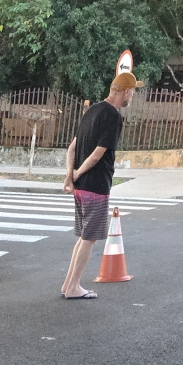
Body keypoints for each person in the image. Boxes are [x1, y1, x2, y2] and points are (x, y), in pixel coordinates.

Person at [60, 72, 141, 300]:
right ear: (126, 91)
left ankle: (68, 284)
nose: (133, 95)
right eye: (133, 91)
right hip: (96, 185)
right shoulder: (113, 116)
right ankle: (74, 286)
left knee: (84, 236)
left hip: (81, 187)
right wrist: (76, 173)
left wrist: (71, 176)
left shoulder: (92, 110)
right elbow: (97, 155)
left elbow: (71, 148)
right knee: (89, 237)